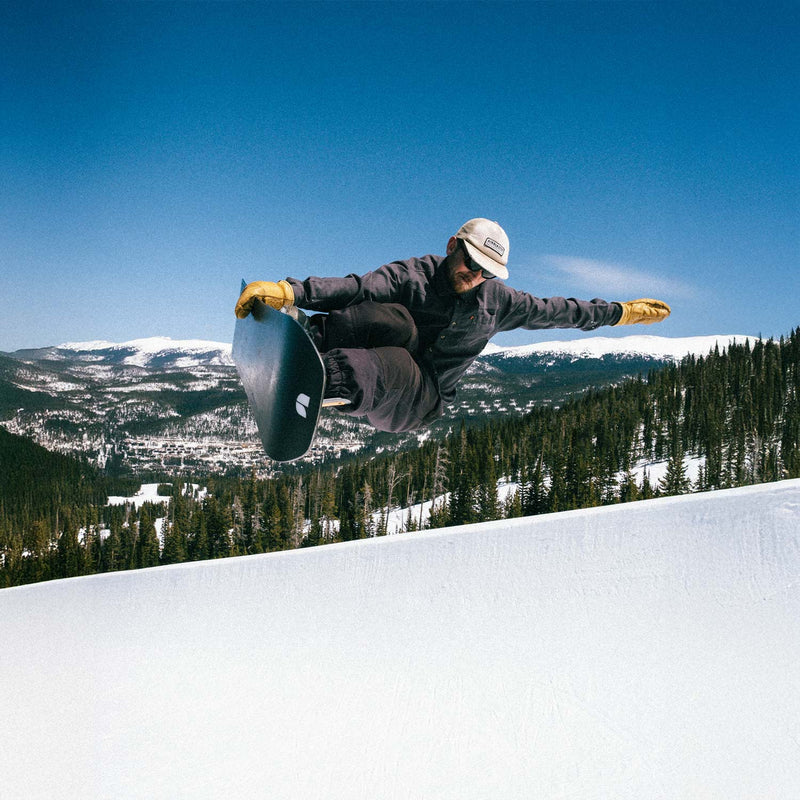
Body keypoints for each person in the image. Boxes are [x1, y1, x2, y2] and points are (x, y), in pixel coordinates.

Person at [235, 218, 671, 433]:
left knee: (399, 364)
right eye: (470, 263)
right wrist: (291, 292)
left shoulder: (499, 304)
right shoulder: (416, 273)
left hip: (420, 396)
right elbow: (357, 287)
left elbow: (563, 311)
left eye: (486, 272)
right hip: (381, 357)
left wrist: (621, 312)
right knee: (389, 315)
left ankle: (323, 380)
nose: (474, 275)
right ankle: (309, 344)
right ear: (452, 247)